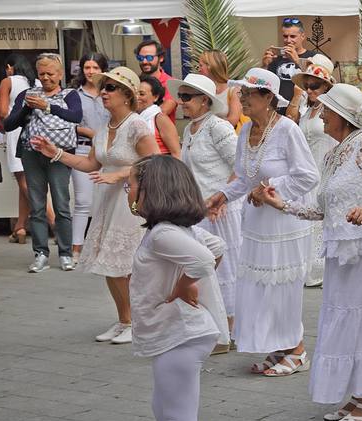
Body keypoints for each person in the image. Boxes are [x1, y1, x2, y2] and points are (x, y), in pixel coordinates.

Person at [256, 84, 362, 421]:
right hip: (341, 250)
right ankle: (358, 392)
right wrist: (280, 204)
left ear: (342, 116)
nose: (322, 113)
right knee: (345, 319)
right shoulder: (333, 154)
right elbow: (321, 210)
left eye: (327, 109)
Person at [126, 155, 227, 421]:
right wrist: (188, 280)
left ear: (153, 191)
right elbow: (215, 246)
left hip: (181, 334)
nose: (127, 189)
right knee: (164, 408)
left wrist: (186, 285)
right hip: (176, 333)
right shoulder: (172, 229)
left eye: (132, 184)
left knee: (177, 417)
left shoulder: (164, 233)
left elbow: (203, 259)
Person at [206, 68, 320, 376]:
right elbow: (244, 177)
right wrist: (222, 196)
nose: (241, 98)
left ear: (268, 97)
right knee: (260, 285)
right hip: (256, 222)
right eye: (241, 93)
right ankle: (278, 346)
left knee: (282, 286)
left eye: (248, 94)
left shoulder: (287, 130)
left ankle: (296, 349)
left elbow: (308, 176)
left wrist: (270, 189)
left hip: (283, 221)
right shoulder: (245, 131)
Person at [32, 67, 158, 344]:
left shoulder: (136, 125)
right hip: (108, 200)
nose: (103, 92)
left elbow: (153, 161)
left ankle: (138, 323)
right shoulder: (105, 127)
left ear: (127, 95)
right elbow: (90, 163)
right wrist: (57, 154)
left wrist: (120, 173)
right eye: (103, 87)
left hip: (131, 200)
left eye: (110, 88)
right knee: (109, 265)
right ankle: (124, 320)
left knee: (125, 266)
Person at [170, 73, 239, 353]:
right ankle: (213, 329)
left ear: (204, 101)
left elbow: (241, 167)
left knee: (225, 271)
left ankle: (229, 333)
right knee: (205, 271)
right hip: (199, 211)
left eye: (187, 97)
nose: (181, 102)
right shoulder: (191, 129)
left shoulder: (218, 128)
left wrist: (222, 198)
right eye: (181, 96)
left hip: (220, 212)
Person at [4, 52, 81, 273]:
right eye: (42, 73)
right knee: (37, 206)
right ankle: (40, 253)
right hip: (31, 153)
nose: (46, 78)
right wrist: (27, 107)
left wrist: (47, 106)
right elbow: (9, 124)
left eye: (50, 73)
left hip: (58, 155)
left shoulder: (69, 94)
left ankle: (65, 253)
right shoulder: (28, 94)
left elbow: (76, 116)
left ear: (60, 74)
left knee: (61, 205)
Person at [292, 55, 338, 287]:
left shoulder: (333, 109)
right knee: (307, 217)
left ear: (327, 86)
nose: (309, 90)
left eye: (315, 86)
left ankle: (322, 268)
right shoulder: (307, 110)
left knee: (322, 218)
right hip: (307, 170)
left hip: (327, 166)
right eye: (306, 85)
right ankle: (308, 268)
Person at [70, 53, 110, 257]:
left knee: (105, 201)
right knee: (83, 201)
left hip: (109, 151)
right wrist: (89, 132)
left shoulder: (110, 93)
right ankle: (76, 247)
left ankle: (101, 246)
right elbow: (69, 124)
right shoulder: (74, 95)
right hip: (84, 149)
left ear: (103, 69)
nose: (91, 72)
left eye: (95, 67)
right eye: (87, 67)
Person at [0, 53, 36, 243]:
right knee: (25, 182)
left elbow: (3, 112)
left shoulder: (8, 81)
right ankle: (20, 227)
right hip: (35, 132)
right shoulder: (36, 82)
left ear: (10, 67)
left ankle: (55, 222)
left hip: (15, 133)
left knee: (24, 183)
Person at [261, 18, 308, 114]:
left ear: (302, 36)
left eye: (293, 36)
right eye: (285, 36)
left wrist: (297, 61)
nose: (288, 40)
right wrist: (265, 65)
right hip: (277, 110)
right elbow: (264, 85)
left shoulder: (312, 57)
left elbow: (315, 82)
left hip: (302, 110)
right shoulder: (276, 58)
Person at [196, 50, 244, 128]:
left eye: (201, 66)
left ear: (211, 66)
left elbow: (233, 120)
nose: (198, 69)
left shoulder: (233, 90)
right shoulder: (202, 91)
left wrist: (209, 127)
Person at [136, 75, 181, 157]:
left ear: (156, 97)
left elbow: (176, 153)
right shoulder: (132, 118)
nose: (137, 97)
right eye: (135, 93)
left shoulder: (160, 118)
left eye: (142, 94)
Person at [133, 40, 176, 117]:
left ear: (161, 58)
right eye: (140, 58)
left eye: (149, 57)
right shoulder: (134, 82)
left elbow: (163, 112)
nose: (144, 61)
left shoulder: (171, 83)